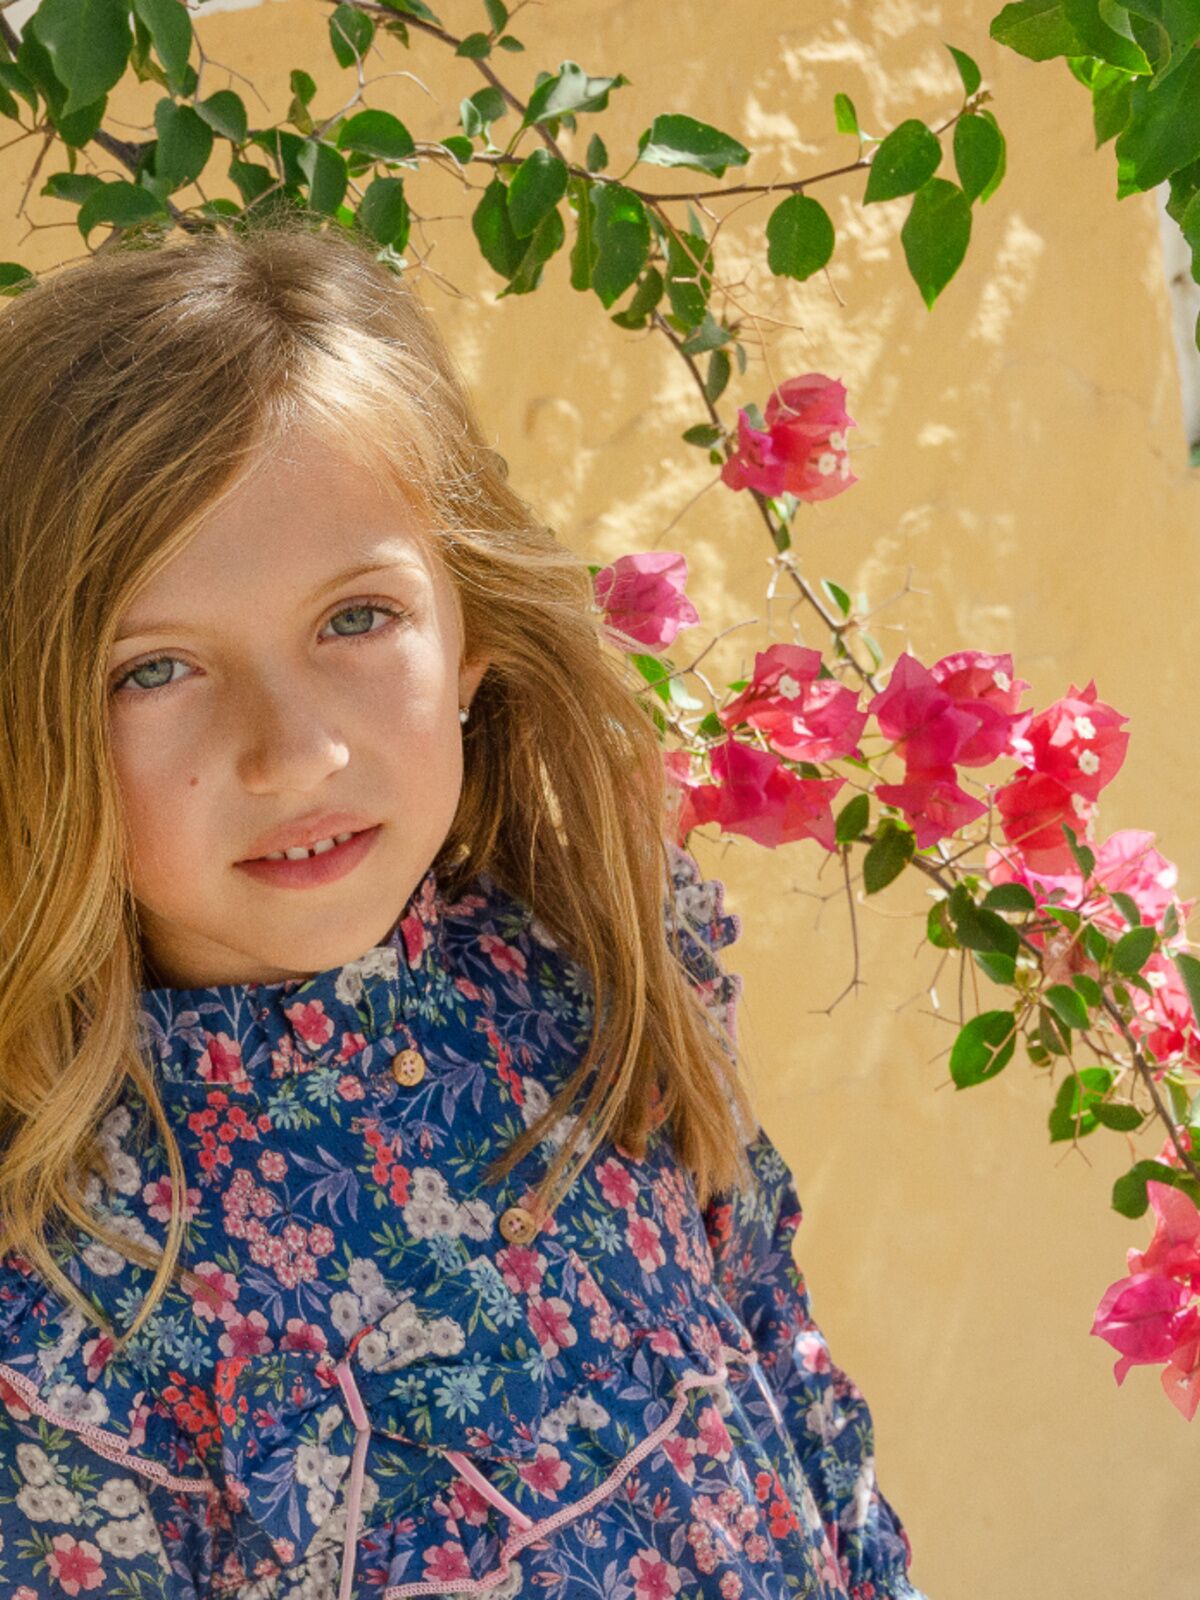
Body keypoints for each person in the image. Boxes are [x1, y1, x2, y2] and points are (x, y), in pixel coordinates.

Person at [0, 216, 925, 1600]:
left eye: (355, 620)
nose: (294, 750)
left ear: (475, 624)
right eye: (157, 669)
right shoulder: (64, 1276)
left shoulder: (593, 970)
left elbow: (792, 1393)